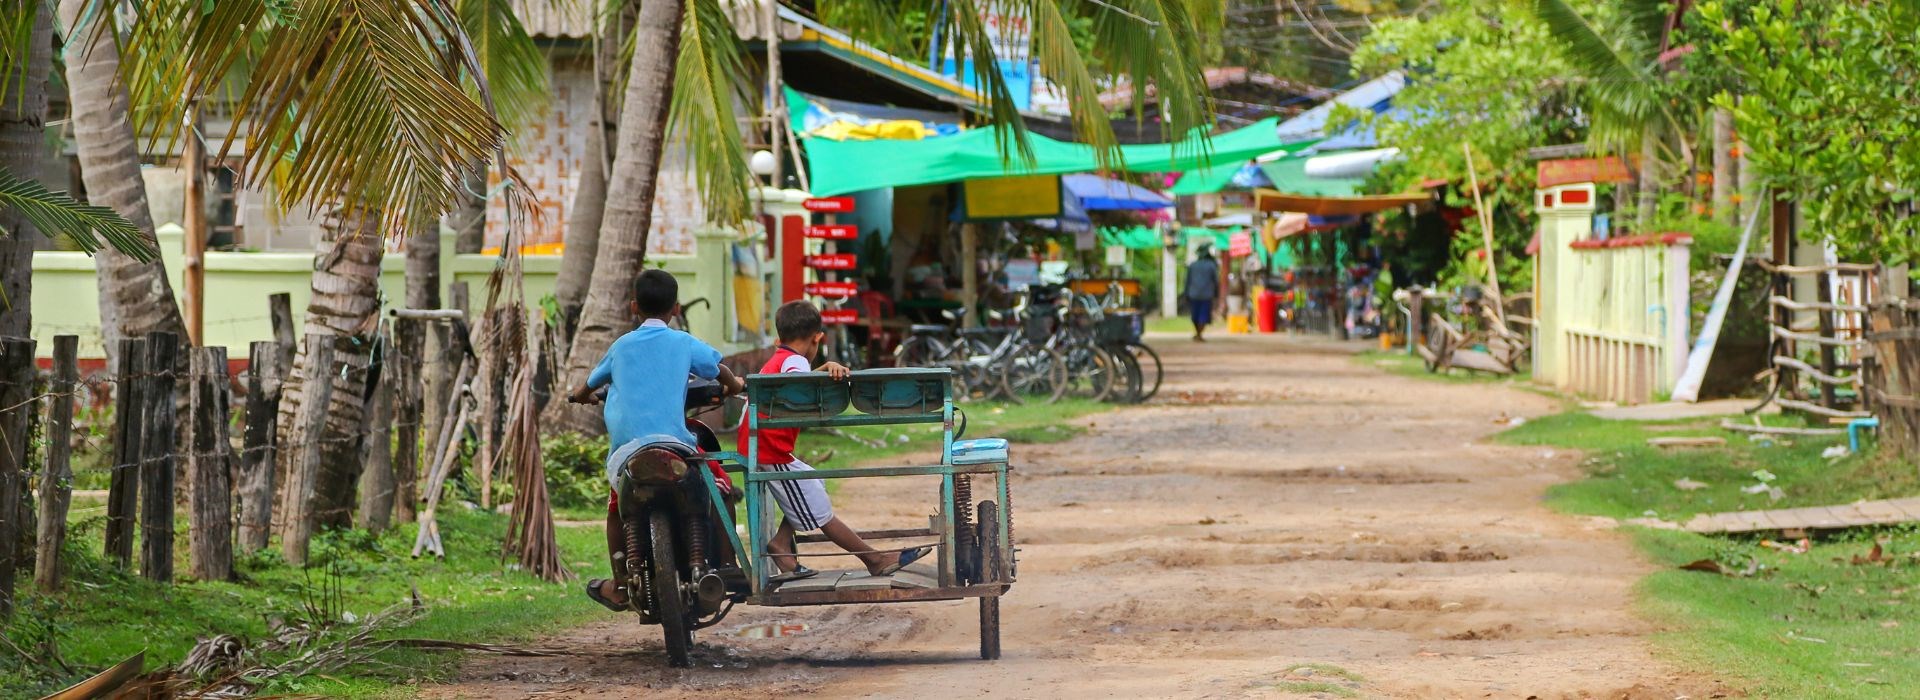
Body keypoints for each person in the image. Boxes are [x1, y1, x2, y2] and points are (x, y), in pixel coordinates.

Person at [569, 269, 745, 613]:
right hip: (676, 447)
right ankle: (728, 565)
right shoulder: (682, 342)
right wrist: (735, 385)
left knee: (616, 509)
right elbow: (717, 366)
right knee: (720, 488)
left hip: (628, 454)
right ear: (676, 309)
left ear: (633, 306)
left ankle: (619, 584)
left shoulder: (620, 346)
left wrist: (580, 396)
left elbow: (588, 384)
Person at [740, 300, 931, 583]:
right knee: (818, 506)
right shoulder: (796, 361)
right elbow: (798, 386)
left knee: (813, 482)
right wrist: (827, 380)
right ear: (818, 337)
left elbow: (791, 382)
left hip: (764, 443)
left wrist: (823, 369)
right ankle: (874, 559)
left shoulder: (781, 357)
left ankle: (780, 545)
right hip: (769, 450)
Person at [1185, 243, 1221, 341]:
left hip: (1193, 294)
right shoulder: (1211, 265)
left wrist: (1186, 293)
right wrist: (1217, 293)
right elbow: (1216, 281)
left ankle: (1198, 333)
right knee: (1203, 315)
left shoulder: (1192, 265)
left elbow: (1187, 280)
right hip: (1206, 295)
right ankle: (1199, 334)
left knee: (1195, 315)